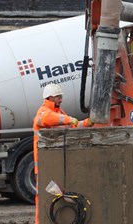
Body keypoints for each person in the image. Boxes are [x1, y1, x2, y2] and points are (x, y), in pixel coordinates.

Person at [32, 83, 89, 224]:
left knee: (60, 194)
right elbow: (47, 119)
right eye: (58, 97)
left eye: (61, 97)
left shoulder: (60, 113)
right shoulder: (44, 112)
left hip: (58, 162)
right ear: (50, 97)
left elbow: (75, 125)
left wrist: (89, 122)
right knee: (44, 196)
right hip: (44, 164)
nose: (61, 99)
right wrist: (70, 119)